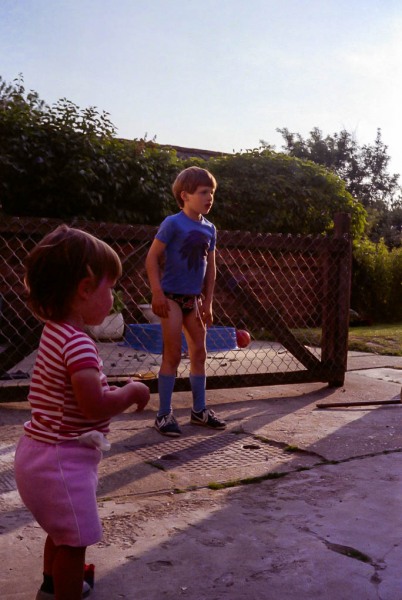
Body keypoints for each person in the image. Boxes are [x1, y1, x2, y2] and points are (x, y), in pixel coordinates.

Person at [14, 225, 150, 600]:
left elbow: (76, 393)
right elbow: (93, 407)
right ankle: (66, 591)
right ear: (85, 288)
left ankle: (50, 585)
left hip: (37, 454)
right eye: (111, 288)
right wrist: (131, 392)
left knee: (61, 532)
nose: (115, 297)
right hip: (61, 462)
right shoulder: (79, 345)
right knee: (75, 542)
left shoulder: (54, 331)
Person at [145, 166, 227, 436]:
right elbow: (152, 258)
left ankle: (199, 410)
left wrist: (209, 302)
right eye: (203, 192)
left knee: (199, 354)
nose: (209, 197)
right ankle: (163, 414)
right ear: (185, 195)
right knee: (171, 355)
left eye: (211, 192)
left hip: (194, 300)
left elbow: (211, 269)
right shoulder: (172, 223)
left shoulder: (210, 228)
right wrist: (157, 293)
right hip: (171, 299)